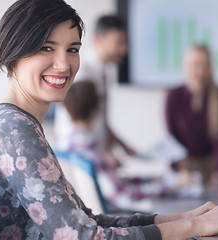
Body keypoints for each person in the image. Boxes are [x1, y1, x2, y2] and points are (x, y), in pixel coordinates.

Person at [0, 0, 218, 239]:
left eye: (73, 49)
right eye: (46, 47)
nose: (64, 64)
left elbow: (88, 221)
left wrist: (186, 216)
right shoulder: (14, 130)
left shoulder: (9, 122)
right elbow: (84, 236)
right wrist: (194, 227)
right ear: (12, 51)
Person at [62, 81, 202, 211]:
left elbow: (115, 184)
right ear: (96, 108)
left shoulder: (69, 144)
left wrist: (155, 178)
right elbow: (123, 196)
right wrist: (172, 184)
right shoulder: (88, 150)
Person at [54, 14, 133, 168]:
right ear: (99, 40)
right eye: (119, 43)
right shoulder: (81, 73)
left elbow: (98, 118)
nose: (124, 49)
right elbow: (76, 121)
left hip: (95, 155)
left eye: (125, 42)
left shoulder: (106, 72)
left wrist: (120, 145)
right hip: (80, 157)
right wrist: (102, 156)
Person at [165, 45, 218, 187]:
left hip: (213, 168)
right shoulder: (173, 96)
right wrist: (177, 171)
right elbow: (171, 139)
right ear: (185, 66)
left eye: (204, 65)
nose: (200, 71)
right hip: (184, 169)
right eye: (195, 65)